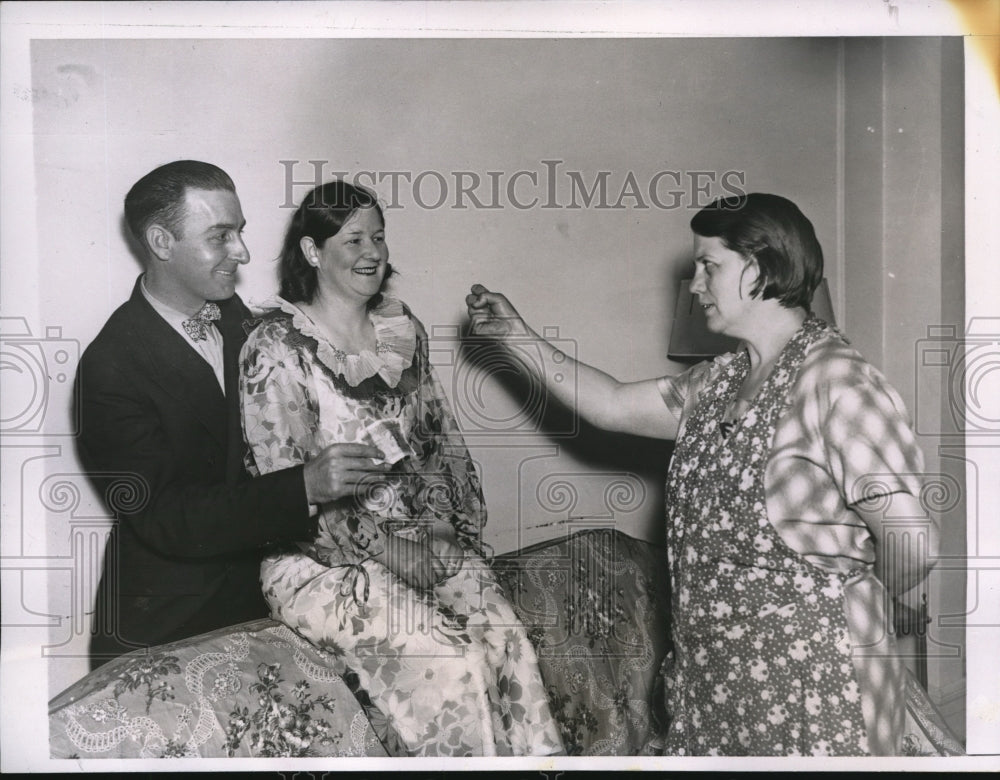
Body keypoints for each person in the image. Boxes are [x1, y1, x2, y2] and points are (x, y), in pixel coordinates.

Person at [466, 193, 938, 757]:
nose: (694, 284)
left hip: (818, 688)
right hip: (716, 683)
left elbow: (914, 541)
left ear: (759, 269)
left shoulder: (839, 385)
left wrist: (861, 606)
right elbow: (612, 403)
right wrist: (515, 336)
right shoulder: (719, 382)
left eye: (708, 265)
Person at [239, 180, 564, 757]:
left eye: (380, 238)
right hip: (317, 557)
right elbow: (285, 488)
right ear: (313, 252)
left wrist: (442, 527)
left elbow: (437, 440)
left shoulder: (400, 328)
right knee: (451, 659)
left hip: (418, 535)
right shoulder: (275, 345)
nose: (373, 253)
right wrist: (393, 552)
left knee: (506, 639)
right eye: (354, 238)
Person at [76, 160, 386, 670]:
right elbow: (167, 518)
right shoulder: (110, 365)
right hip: (172, 627)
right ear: (161, 242)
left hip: (269, 596)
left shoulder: (245, 320)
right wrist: (303, 486)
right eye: (220, 236)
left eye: (239, 232)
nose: (241, 252)